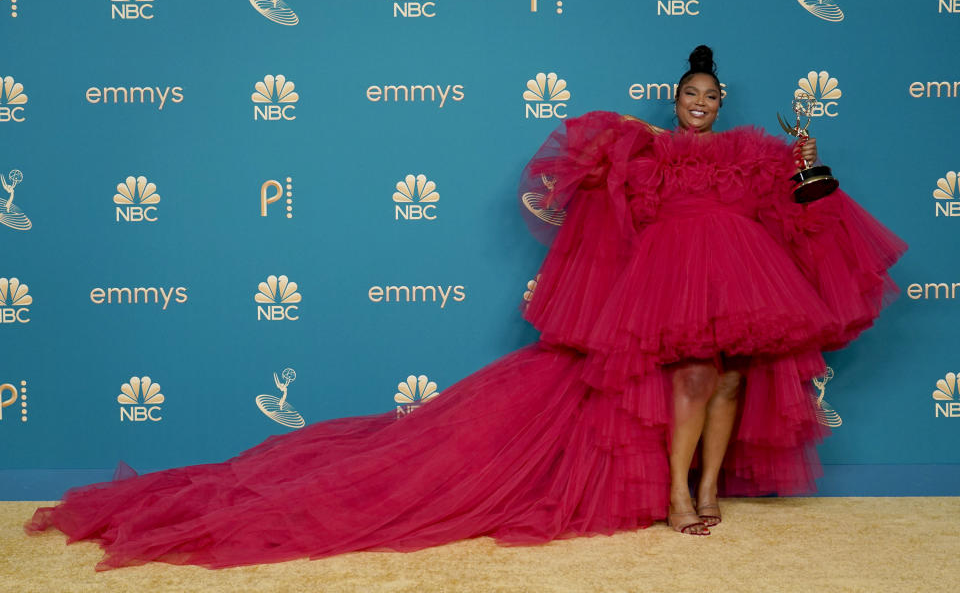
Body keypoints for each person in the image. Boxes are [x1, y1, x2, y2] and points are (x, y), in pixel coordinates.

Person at [26, 45, 905, 568]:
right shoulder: (650, 152)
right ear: (674, 100)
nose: (702, 106)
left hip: (739, 274)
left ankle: (711, 485)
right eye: (690, 96)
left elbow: (793, 199)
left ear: (724, 105)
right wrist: (607, 175)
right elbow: (608, 208)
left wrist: (807, 157)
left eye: (711, 98)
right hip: (675, 277)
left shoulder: (751, 150)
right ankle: (677, 492)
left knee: (731, 378)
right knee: (692, 374)